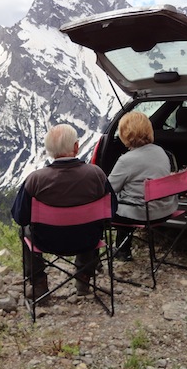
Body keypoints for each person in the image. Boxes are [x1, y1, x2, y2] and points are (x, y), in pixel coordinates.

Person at [11, 124, 116, 298]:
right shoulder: (97, 175)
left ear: (50, 151)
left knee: (24, 230)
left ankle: (39, 284)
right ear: (76, 147)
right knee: (93, 225)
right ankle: (84, 278)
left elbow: (20, 217)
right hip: (87, 240)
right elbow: (111, 210)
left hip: (46, 242)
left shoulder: (35, 180)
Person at [108, 111, 177, 260]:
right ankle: (122, 250)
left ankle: (113, 253)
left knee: (110, 205)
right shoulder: (161, 151)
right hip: (166, 209)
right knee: (130, 197)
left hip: (143, 214)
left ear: (124, 134)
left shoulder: (126, 160)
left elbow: (108, 189)